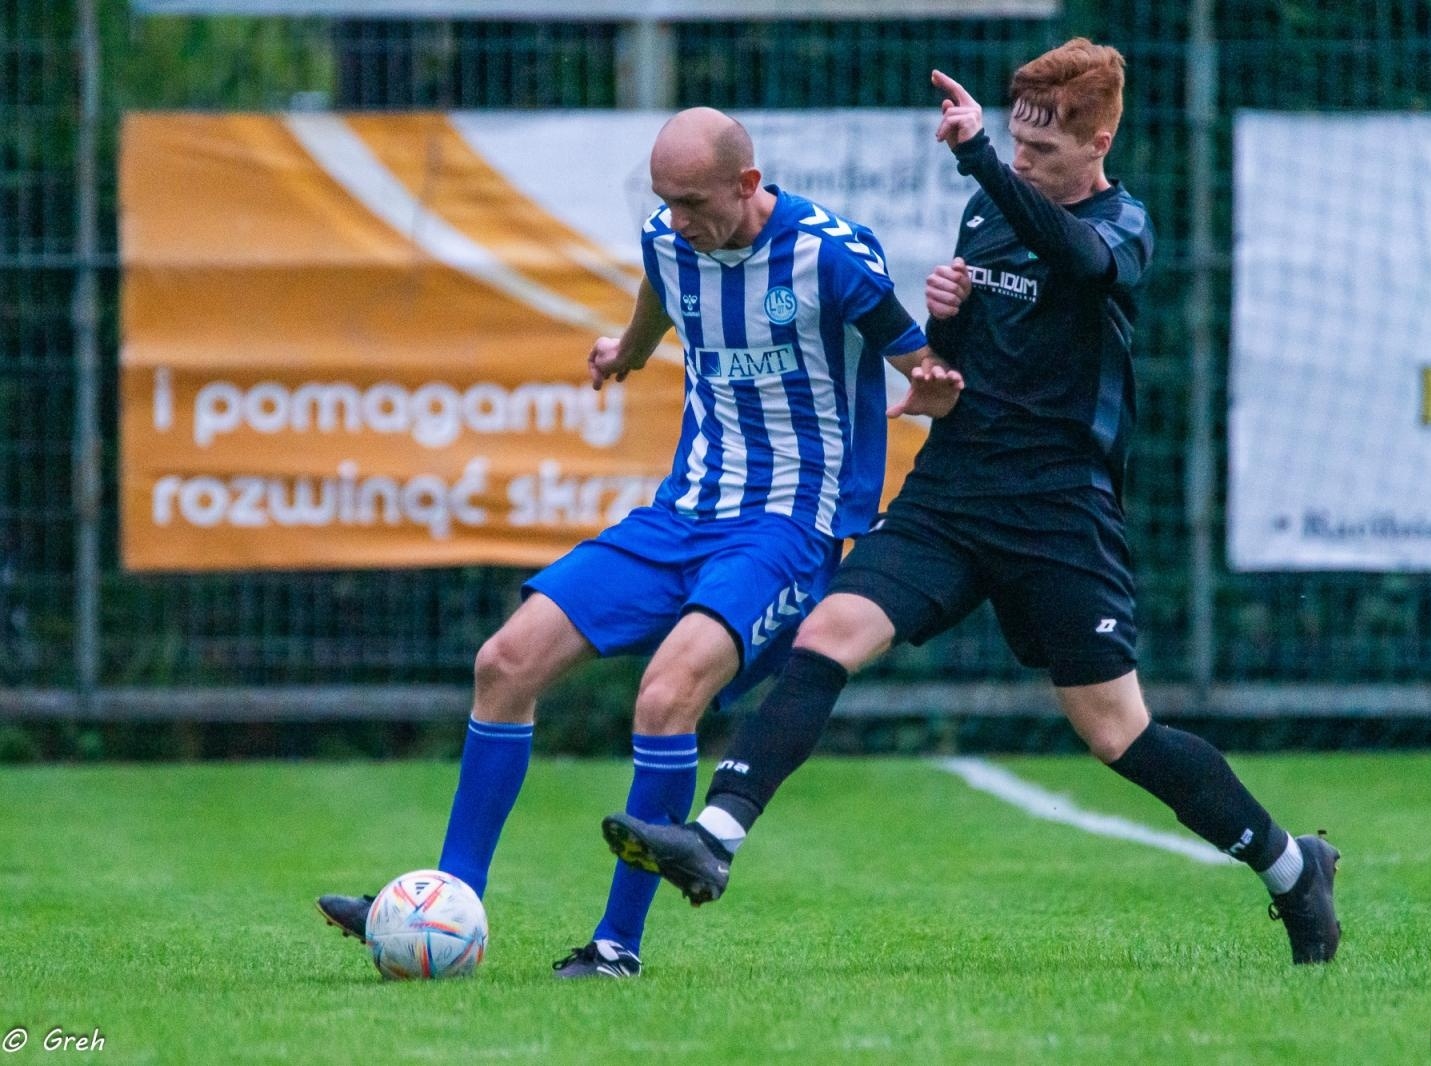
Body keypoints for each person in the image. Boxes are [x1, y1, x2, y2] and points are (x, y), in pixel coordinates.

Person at [601, 41, 1343, 966]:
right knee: (829, 633)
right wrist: (945, 319)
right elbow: (957, 368)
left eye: (1041, 153)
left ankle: (1290, 869)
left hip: (1059, 511)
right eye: (1016, 147)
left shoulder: (1124, 224)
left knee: (1118, 734)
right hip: (954, 491)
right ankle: (715, 838)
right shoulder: (986, 211)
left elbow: (1072, 256)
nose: (1022, 164)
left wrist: (984, 157)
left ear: (1100, 138)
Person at [316, 106, 963, 979]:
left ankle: (617, 946)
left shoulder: (831, 255)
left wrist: (936, 385)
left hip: (787, 527)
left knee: (666, 696)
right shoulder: (670, 236)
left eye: (693, 201)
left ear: (747, 183)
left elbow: (919, 364)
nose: (676, 218)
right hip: (680, 513)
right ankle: (446, 906)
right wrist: (628, 349)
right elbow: (664, 290)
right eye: (665, 200)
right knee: (504, 663)